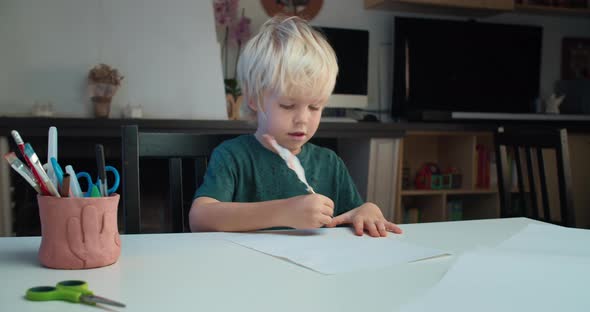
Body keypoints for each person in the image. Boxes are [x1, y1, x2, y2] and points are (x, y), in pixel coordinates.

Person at [189, 15, 402, 237]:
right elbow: (200, 218)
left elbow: (352, 215)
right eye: (288, 105)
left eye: (315, 107)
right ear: (253, 99)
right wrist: (284, 212)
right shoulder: (232, 156)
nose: (302, 119)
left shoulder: (330, 163)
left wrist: (367, 210)